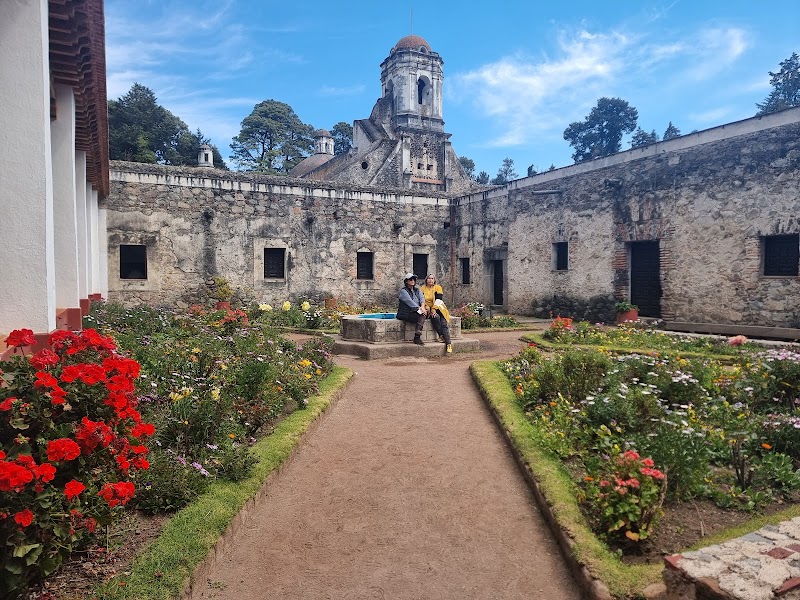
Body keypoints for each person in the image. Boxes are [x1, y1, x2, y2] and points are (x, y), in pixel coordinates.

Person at [420, 274, 452, 353]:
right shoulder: (422, 289)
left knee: (444, 324)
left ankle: (449, 344)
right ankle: (442, 336)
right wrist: (428, 309)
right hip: (428, 309)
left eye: (432, 278)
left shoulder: (438, 288)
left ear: (434, 280)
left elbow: (439, 300)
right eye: (429, 278)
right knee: (435, 317)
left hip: (439, 308)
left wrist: (434, 309)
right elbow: (421, 300)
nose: (431, 280)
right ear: (426, 280)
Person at [396, 273, 426, 345]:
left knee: (428, 314)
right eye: (410, 279)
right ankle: (417, 337)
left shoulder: (417, 290)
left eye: (414, 279)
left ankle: (440, 334)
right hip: (406, 313)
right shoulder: (404, 291)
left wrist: (422, 307)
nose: (413, 281)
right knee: (422, 315)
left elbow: (422, 299)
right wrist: (421, 310)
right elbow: (410, 303)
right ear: (406, 281)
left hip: (417, 311)